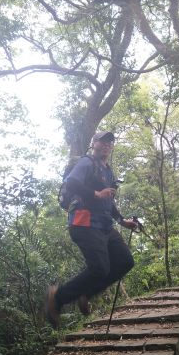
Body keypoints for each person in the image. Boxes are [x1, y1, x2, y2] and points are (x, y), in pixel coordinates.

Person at [45, 130, 137, 327]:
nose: (106, 145)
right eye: (102, 141)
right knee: (100, 268)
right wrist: (96, 193)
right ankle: (58, 298)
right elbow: (72, 182)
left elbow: (108, 200)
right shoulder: (86, 162)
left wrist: (122, 220)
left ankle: (86, 293)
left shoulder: (108, 171)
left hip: (104, 225)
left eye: (109, 142)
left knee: (125, 261)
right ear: (94, 143)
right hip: (84, 223)